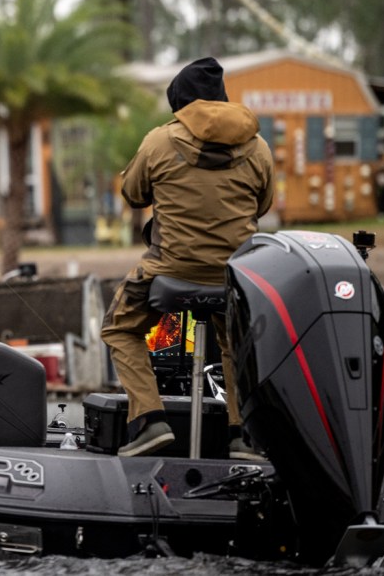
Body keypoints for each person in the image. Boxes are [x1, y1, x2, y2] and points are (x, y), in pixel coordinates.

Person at [101, 56, 274, 457]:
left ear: (179, 104)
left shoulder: (159, 141)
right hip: (236, 274)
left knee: (119, 328)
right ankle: (242, 436)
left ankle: (150, 421)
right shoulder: (259, 147)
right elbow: (263, 205)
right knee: (235, 343)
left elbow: (133, 194)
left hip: (170, 269)